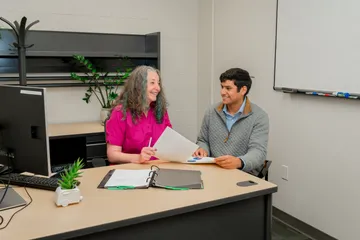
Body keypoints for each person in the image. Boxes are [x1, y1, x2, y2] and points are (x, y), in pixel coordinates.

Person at [194, 67, 269, 172]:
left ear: (243, 90)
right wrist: (202, 149)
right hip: (213, 170)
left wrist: (239, 162)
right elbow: (203, 140)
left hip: (242, 174)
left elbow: (258, 152)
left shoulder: (259, 117)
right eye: (222, 87)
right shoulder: (211, 111)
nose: (222, 92)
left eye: (228, 88)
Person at [105, 65, 172, 164]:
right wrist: (138, 158)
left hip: (158, 167)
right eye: (152, 83)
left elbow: (169, 140)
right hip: (130, 170)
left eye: (158, 83)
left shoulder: (160, 110)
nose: (157, 88)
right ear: (139, 86)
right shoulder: (120, 113)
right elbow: (112, 155)